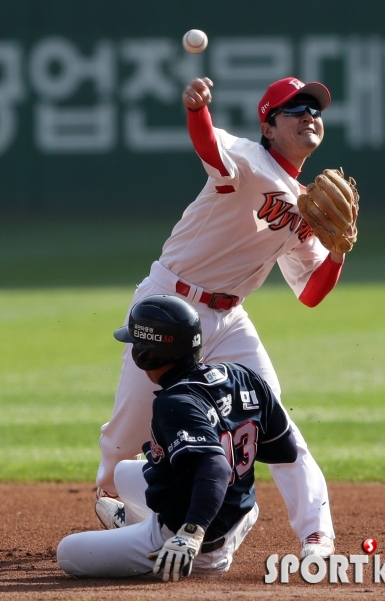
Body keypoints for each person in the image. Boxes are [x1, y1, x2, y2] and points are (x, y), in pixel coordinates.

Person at [96, 75, 346, 558]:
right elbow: (210, 147)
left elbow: (310, 294)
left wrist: (336, 253)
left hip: (231, 317)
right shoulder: (247, 158)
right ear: (268, 126)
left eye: (314, 110)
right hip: (170, 306)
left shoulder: (306, 207)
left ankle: (316, 534)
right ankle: (112, 495)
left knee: (273, 416)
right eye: (295, 110)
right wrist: (197, 109)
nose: (309, 117)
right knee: (130, 426)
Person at [58, 295, 297, 581]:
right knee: (123, 471)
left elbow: (216, 467)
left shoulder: (174, 402)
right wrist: (227, 435)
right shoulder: (241, 375)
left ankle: (179, 553)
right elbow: (285, 450)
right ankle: (145, 526)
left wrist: (191, 533)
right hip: (239, 513)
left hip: (197, 540)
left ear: (145, 354)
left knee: (68, 552)